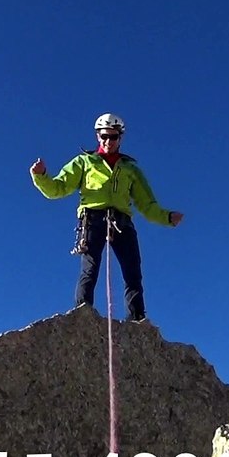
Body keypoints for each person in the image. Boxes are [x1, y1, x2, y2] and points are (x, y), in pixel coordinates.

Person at [30, 113, 183, 322]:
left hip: (122, 221)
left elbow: (146, 204)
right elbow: (59, 187)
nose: (108, 141)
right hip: (92, 218)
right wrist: (41, 176)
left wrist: (166, 217)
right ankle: (82, 314)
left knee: (132, 270)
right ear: (97, 136)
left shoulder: (130, 169)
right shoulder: (84, 162)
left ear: (120, 138)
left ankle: (136, 318)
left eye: (113, 137)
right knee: (90, 267)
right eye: (104, 136)